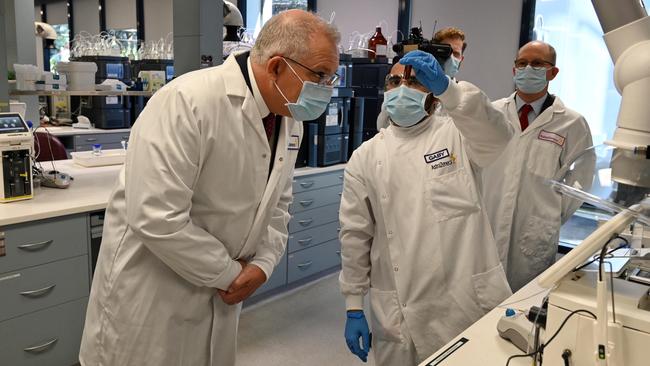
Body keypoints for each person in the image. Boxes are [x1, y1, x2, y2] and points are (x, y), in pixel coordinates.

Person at [79, 10, 340, 366]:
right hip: (153, 300)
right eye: (320, 76)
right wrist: (232, 275)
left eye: (330, 78)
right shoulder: (187, 102)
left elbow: (278, 203)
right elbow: (157, 216)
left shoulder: (289, 118)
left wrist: (262, 264)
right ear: (278, 66)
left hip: (219, 296)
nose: (326, 90)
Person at [340, 49, 514, 365]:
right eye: (393, 81)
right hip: (400, 308)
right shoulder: (365, 157)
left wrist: (449, 88)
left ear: (432, 94)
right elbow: (354, 235)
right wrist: (354, 305)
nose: (401, 88)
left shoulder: (457, 134)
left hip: (462, 302)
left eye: (415, 82)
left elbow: (498, 137)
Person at [482, 41, 594, 292]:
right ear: (514, 71)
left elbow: (580, 181)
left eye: (537, 64)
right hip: (487, 226)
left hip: (533, 237)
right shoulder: (493, 113)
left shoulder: (571, 123)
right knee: (478, 309)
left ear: (552, 72)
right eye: (522, 63)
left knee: (522, 310)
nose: (527, 69)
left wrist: (547, 217)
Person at [377, 27, 467, 130]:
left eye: (455, 54)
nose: (450, 57)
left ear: (461, 59)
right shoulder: (412, 89)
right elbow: (384, 128)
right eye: (445, 52)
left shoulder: (464, 95)